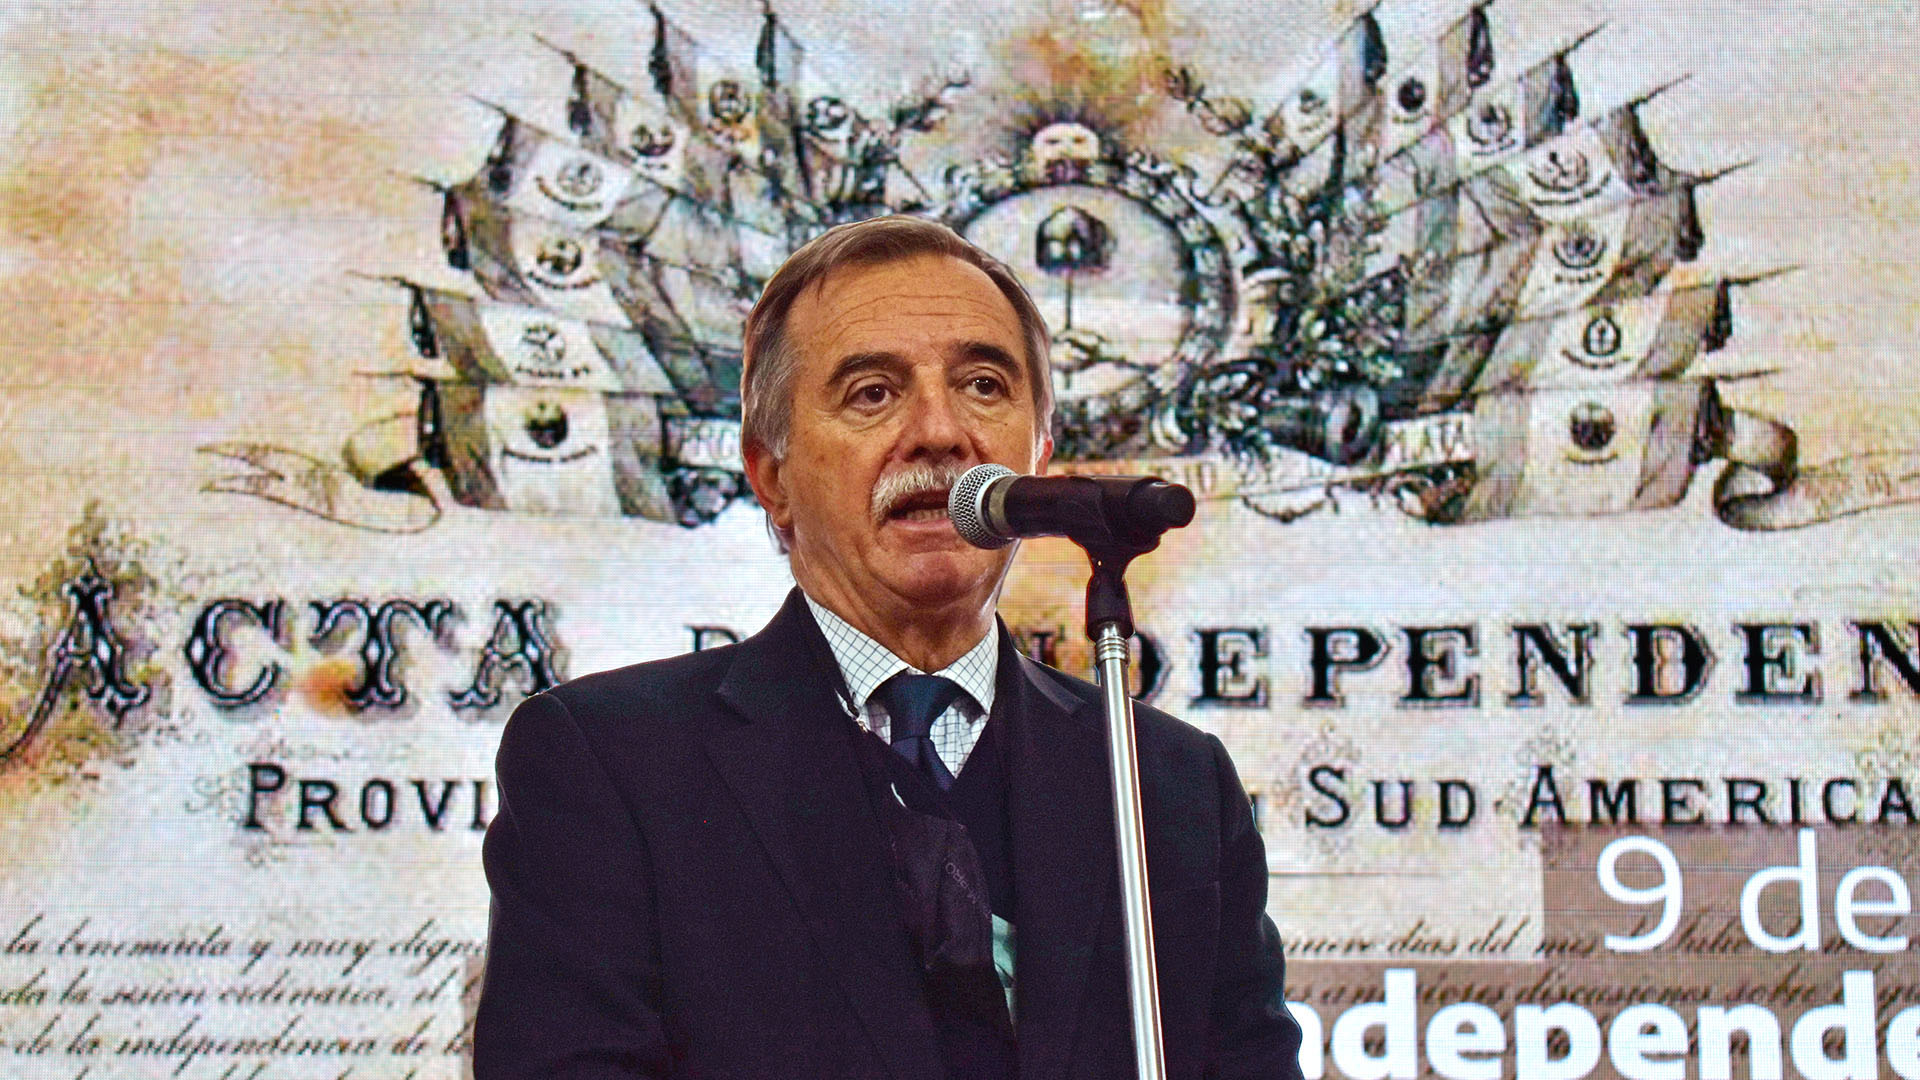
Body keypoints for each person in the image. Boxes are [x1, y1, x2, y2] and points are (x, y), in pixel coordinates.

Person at [474, 215, 1306, 1079]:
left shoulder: (1167, 784)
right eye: (872, 393)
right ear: (771, 475)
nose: (940, 432)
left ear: (1038, 454)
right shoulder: (609, 764)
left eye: (983, 385)